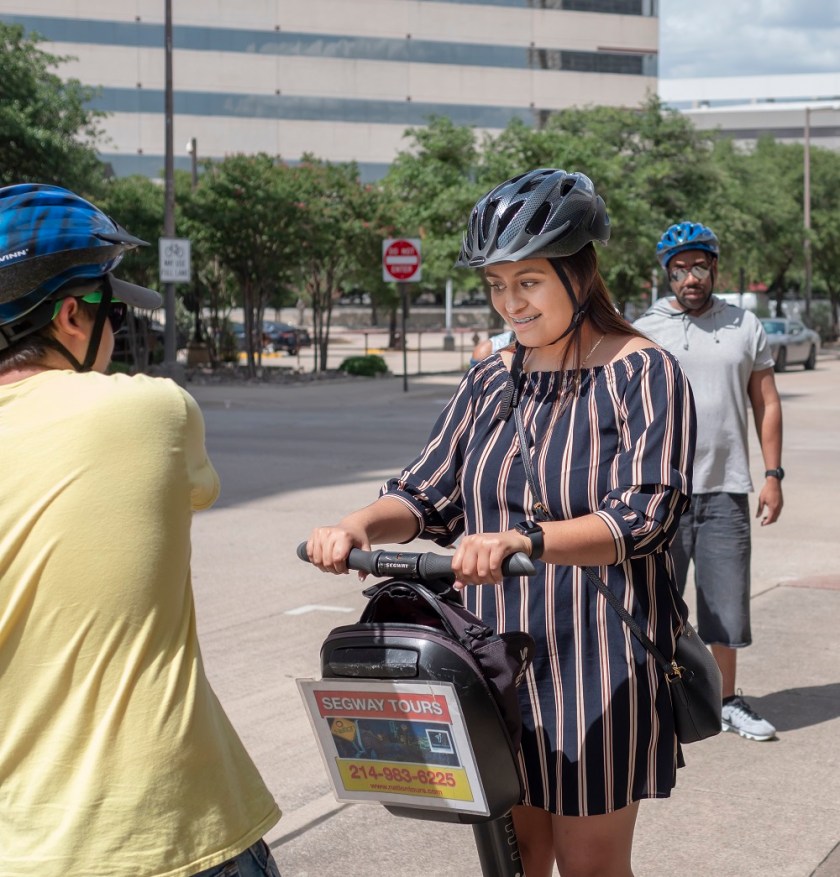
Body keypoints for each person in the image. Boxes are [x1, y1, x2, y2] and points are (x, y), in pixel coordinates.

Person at [305, 168, 696, 877]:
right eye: (496, 284)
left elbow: (647, 514)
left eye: (529, 281)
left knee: (590, 866)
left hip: (598, 661)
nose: (510, 302)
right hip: (493, 660)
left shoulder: (643, 372)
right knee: (514, 861)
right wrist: (359, 525)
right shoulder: (490, 378)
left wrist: (527, 540)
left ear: (580, 273)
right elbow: (426, 492)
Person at [0, 184, 281, 877]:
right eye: (112, 308)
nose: (118, 330)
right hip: (169, 831)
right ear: (72, 313)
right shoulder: (151, 410)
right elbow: (195, 489)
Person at [635, 221, 783, 743]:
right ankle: (655, 702)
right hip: (660, 493)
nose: (690, 278)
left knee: (725, 606)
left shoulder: (745, 325)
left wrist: (772, 474)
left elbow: (766, 402)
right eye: (679, 269)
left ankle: (725, 700)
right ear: (667, 275)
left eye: (699, 266)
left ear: (714, 268)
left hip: (726, 489)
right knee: (654, 602)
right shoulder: (645, 330)